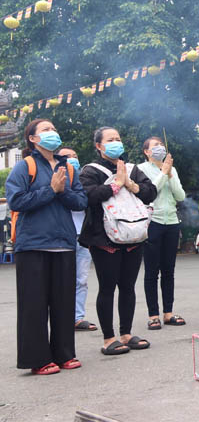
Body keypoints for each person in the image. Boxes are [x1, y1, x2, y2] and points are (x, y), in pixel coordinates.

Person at [7, 119, 88, 374]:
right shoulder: (25, 166)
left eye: (53, 129)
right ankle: (38, 359)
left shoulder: (68, 168)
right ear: (32, 138)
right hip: (32, 245)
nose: (52, 133)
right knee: (34, 305)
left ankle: (64, 354)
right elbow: (16, 200)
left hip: (64, 243)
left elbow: (80, 201)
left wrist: (61, 191)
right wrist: (51, 190)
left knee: (64, 303)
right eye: (45, 130)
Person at [80, 127, 157, 355]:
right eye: (110, 140)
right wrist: (115, 184)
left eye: (118, 139)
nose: (116, 142)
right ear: (99, 146)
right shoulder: (90, 171)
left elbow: (150, 192)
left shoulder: (132, 169)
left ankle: (126, 333)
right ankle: (108, 338)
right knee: (107, 287)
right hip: (104, 238)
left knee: (128, 287)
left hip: (133, 235)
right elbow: (88, 197)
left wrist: (130, 183)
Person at [137, 137, 187, 330]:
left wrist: (170, 174)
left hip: (172, 221)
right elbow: (149, 192)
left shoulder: (172, 169)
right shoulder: (140, 169)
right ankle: (153, 315)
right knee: (151, 271)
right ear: (146, 152)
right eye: (154, 146)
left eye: (161, 145)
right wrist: (163, 173)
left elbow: (180, 196)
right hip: (152, 221)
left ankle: (168, 312)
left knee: (169, 270)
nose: (159, 148)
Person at [56, 147, 97, 332]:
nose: (72, 159)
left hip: (83, 235)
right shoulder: (55, 178)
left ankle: (77, 317)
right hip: (62, 234)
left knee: (81, 278)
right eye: (67, 157)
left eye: (75, 156)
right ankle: (61, 318)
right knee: (61, 278)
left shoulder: (84, 179)